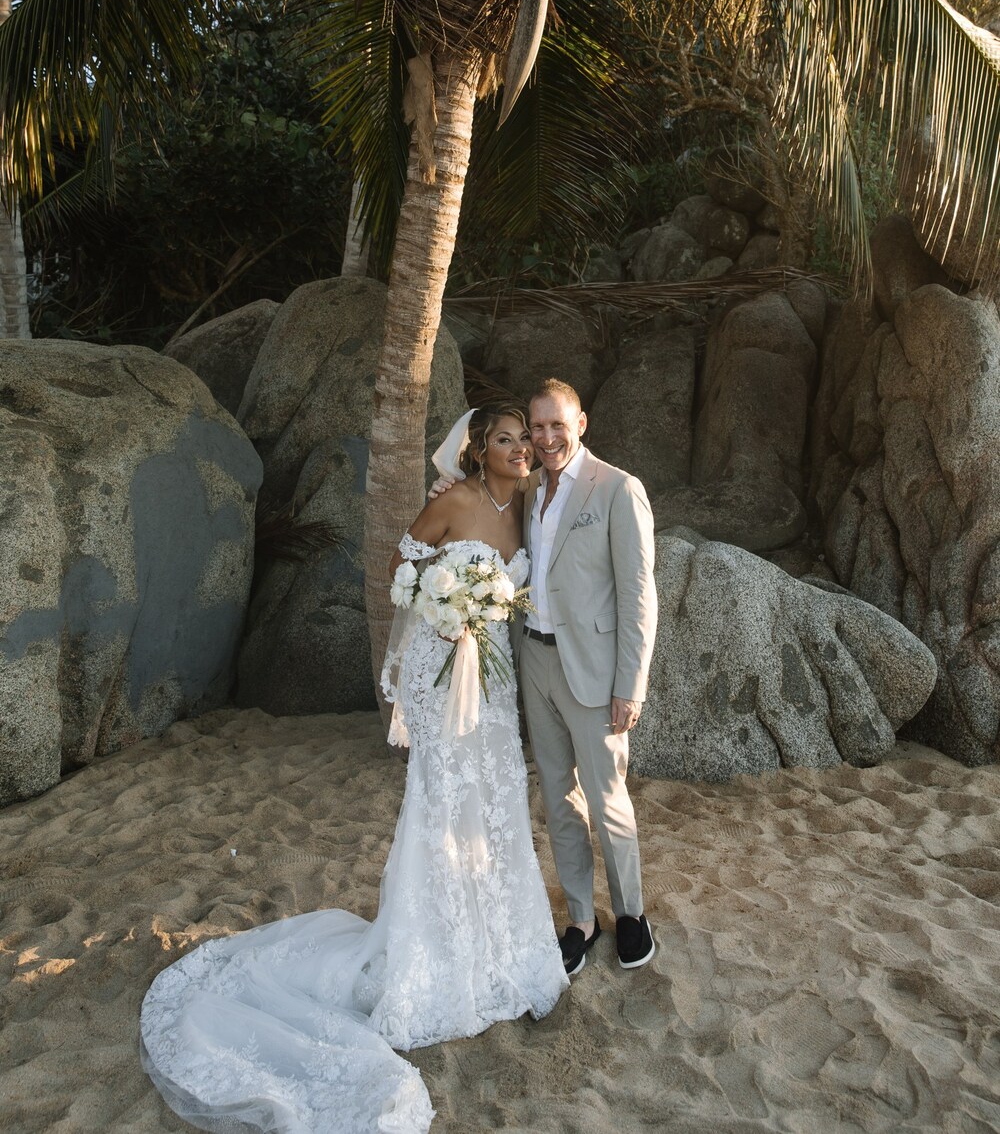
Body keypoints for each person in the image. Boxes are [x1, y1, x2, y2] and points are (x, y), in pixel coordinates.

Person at [139, 405, 568, 1134]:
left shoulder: (527, 507)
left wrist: (483, 612)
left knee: (494, 797)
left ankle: (499, 943)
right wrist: (445, 607)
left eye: (525, 440)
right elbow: (404, 571)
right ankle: (431, 951)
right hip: (442, 668)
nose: (521, 449)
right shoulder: (451, 503)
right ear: (477, 451)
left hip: (493, 681)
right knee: (441, 800)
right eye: (506, 439)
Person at [432, 378, 657, 977]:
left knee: (608, 800)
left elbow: (639, 596)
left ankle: (632, 913)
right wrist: (443, 486)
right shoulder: (530, 490)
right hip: (534, 660)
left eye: (559, 425)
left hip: (595, 668)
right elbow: (481, 500)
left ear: (581, 424)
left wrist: (630, 685)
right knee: (558, 796)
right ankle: (581, 917)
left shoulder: (617, 488)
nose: (547, 437)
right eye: (538, 427)